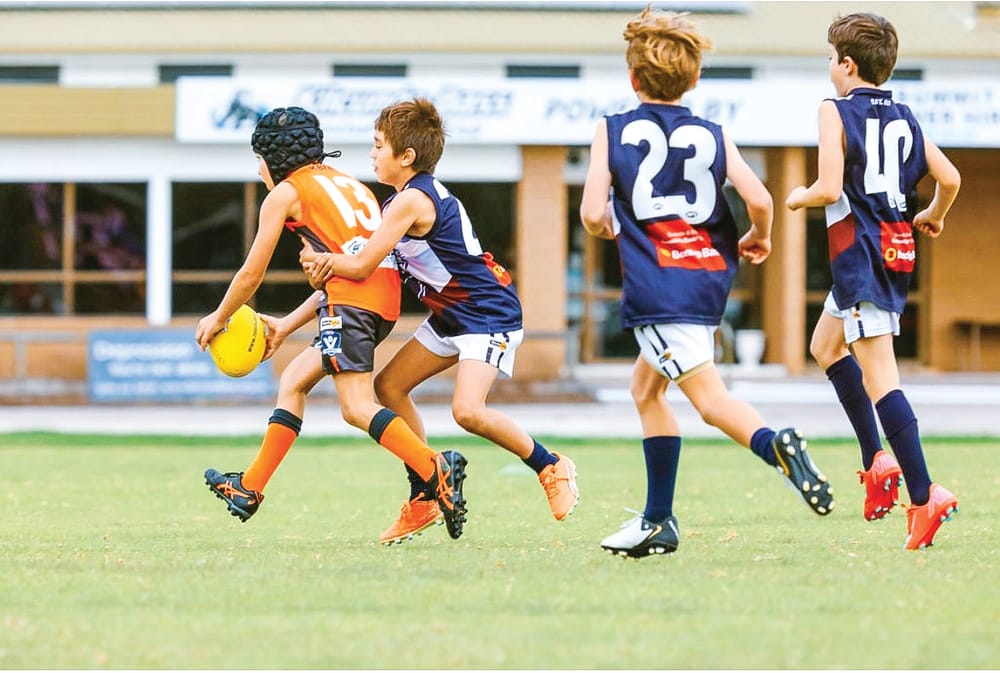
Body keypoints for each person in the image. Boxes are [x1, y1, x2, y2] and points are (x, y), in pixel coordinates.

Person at [579, 6, 835, 559]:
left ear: (632, 77)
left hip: (659, 286)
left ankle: (776, 446)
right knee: (646, 390)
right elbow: (760, 199)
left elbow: (592, 213)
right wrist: (759, 236)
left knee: (710, 400)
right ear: (694, 78)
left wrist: (609, 228)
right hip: (703, 280)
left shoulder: (611, 130)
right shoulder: (712, 133)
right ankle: (658, 521)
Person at [301, 98, 579, 545]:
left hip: (487, 313)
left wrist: (322, 260)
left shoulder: (411, 201)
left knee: (467, 411)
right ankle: (426, 493)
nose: (372, 153)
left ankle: (550, 465)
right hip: (451, 317)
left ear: (406, 156)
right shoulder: (399, 202)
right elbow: (360, 270)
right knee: (390, 387)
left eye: (378, 145)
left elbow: (360, 266)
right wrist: (300, 307)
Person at [194, 106, 468, 540]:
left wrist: (219, 316)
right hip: (378, 303)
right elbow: (344, 270)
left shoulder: (285, 193)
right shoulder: (351, 185)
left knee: (356, 407)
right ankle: (249, 488)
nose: (259, 170)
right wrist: (286, 325)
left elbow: (251, 274)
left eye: (259, 159)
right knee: (294, 380)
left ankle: (435, 470)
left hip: (352, 305)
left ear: (274, 157)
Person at [786, 12, 961, 550]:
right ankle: (876, 459)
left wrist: (797, 197)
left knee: (882, 377)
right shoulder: (904, 115)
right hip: (892, 250)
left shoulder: (833, 109)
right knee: (825, 346)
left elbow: (828, 186)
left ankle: (925, 493)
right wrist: (933, 214)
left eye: (830, 59)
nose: (829, 68)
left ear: (846, 64)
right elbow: (950, 178)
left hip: (860, 256)